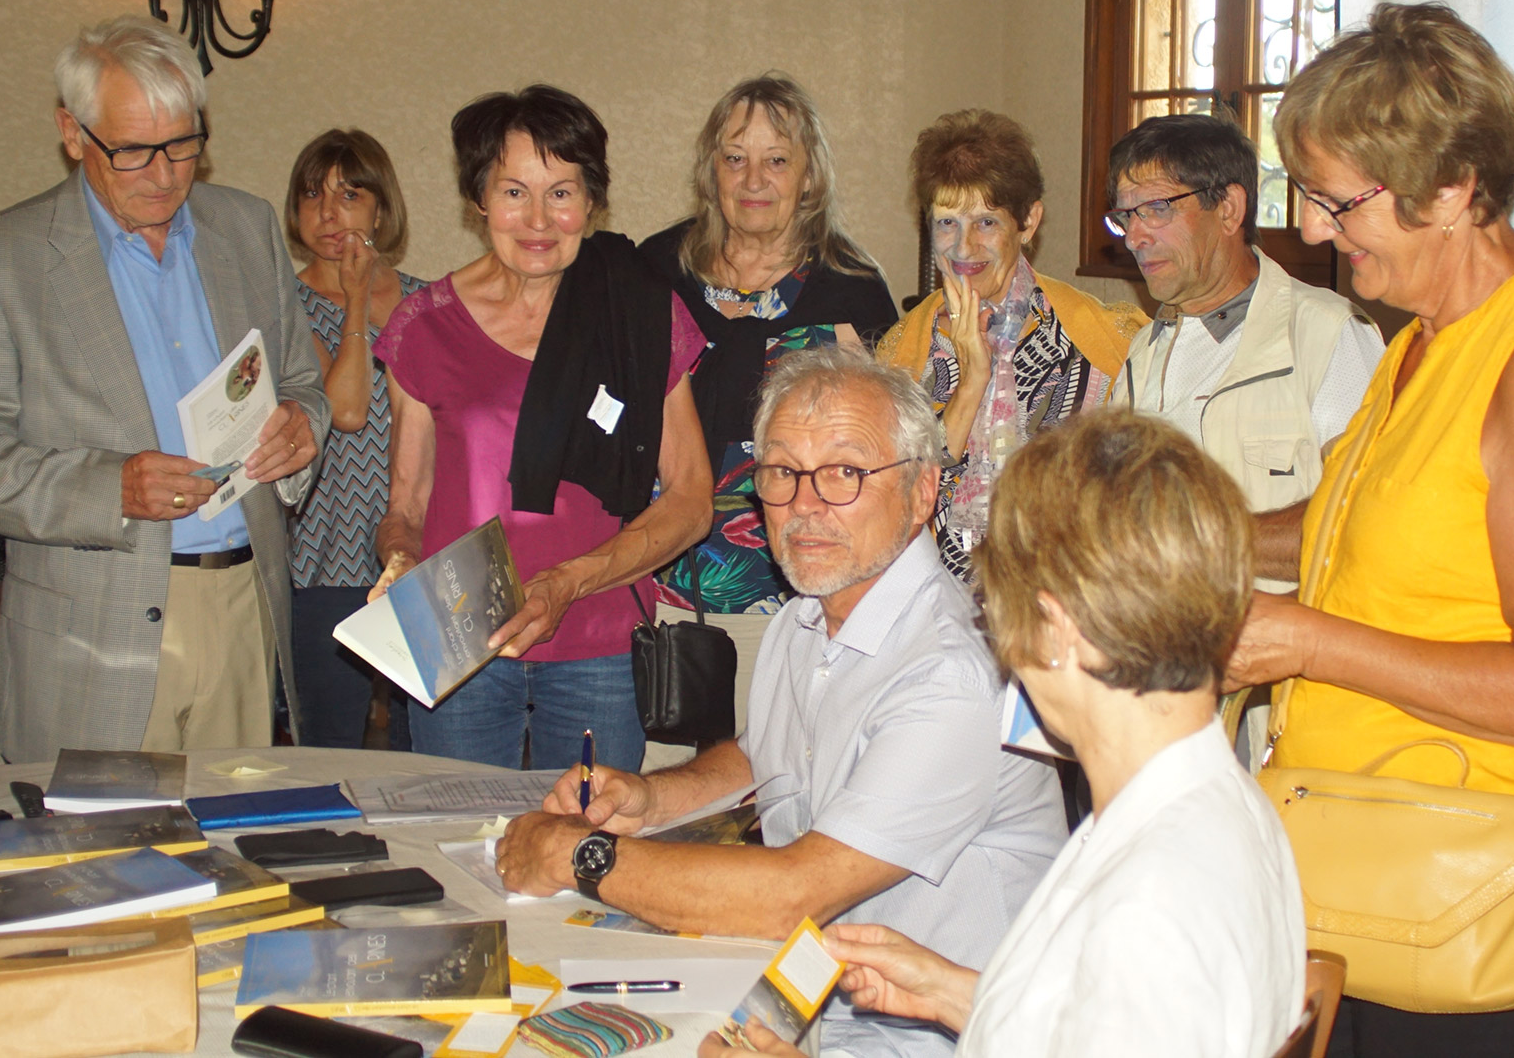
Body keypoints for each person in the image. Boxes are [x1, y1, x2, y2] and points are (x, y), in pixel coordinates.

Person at [1224, 2, 1514, 1057]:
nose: (1317, 231)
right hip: (1363, 842)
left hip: (1463, 876)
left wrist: (1300, 641)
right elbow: (1349, 534)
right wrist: (1206, 543)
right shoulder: (1428, 332)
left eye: (1338, 202)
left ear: (1455, 188)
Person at [496, 346, 1065, 1058]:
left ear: (922, 492)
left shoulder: (950, 673)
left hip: (944, 1036)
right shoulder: (809, 613)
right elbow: (768, 748)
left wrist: (579, 853)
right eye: (782, 472)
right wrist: (653, 799)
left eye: (844, 473)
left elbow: (794, 892)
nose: (804, 505)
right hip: (815, 1008)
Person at [700, 409, 1306, 1058]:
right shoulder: (1217, 804)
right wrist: (961, 993)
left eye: (996, 605)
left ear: (1055, 628)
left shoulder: (1151, 897)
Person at [0, 16, 327, 762]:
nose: (166, 175)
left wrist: (304, 424)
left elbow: (300, 379)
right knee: (98, 868)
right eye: (134, 151)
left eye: (185, 144)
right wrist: (109, 488)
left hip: (243, 606)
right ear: (73, 133)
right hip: (89, 631)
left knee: (232, 861)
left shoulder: (247, 226)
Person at [370, 85, 712, 773]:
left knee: (586, 848)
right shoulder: (423, 325)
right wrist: (400, 560)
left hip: (599, 640)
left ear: (592, 202)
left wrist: (568, 583)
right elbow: (404, 505)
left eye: (561, 192)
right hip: (455, 638)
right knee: (455, 843)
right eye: (513, 191)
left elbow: (691, 498)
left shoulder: (640, 312)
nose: (537, 218)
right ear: (478, 201)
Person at [640, 74, 897, 735]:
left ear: (808, 176)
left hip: (802, 599)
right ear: (710, 171)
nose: (754, 178)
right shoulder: (653, 271)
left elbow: (886, 451)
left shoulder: (853, 288)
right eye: (735, 158)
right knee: (661, 792)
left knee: (777, 798)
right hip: (659, 591)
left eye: (777, 160)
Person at [1104, 114, 1384, 591]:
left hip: (1281, 654)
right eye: (1125, 217)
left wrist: (1199, 541)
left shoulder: (1327, 334)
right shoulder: (1142, 352)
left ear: (1230, 209)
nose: (1134, 237)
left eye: (1155, 209)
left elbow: (1367, 524)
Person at [878, 110, 1146, 582]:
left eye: (985, 222)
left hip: (1065, 610)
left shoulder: (1107, 341)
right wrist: (971, 383)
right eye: (947, 223)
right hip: (935, 618)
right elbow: (892, 508)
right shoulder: (901, 354)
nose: (964, 248)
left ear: (1028, 221)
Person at [283, 129, 427, 749]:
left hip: (417, 552)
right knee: (328, 744)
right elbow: (345, 407)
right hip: (323, 550)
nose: (329, 212)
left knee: (417, 746)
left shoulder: (429, 303)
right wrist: (357, 299)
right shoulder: (281, 302)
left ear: (380, 207)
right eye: (313, 195)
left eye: (349, 193)